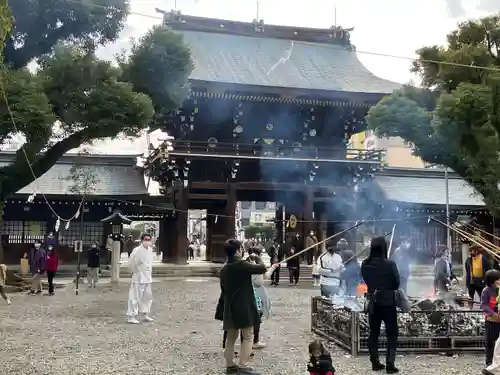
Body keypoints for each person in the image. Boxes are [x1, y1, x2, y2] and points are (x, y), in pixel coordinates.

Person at [215, 239, 274, 375]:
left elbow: (223, 288)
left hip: (230, 306)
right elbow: (262, 268)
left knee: (231, 337)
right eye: (240, 248)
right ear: (237, 250)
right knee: (248, 336)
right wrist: (256, 257)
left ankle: (230, 366)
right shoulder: (241, 264)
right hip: (244, 306)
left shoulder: (224, 268)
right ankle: (242, 365)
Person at [361, 236, 400, 373]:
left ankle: (375, 362)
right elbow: (396, 283)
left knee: (373, 333)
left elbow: (365, 280)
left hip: (373, 301)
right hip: (388, 301)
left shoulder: (365, 264)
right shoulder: (390, 264)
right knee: (392, 333)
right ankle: (390, 364)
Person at [127, 234, 154, 324]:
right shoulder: (137, 250)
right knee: (134, 296)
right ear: (141, 240)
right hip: (138, 277)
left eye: (149, 239)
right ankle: (131, 315)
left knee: (147, 297)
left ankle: (145, 313)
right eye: (146, 239)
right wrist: (136, 271)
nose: (147, 241)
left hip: (147, 277)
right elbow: (131, 262)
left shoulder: (150, 250)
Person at [480, 270, 500, 369]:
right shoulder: (486, 291)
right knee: (490, 342)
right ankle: (489, 363)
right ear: (492, 281)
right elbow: (483, 305)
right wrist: (493, 314)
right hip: (491, 320)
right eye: (498, 279)